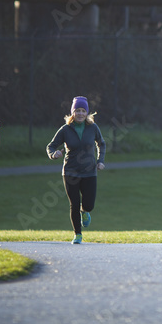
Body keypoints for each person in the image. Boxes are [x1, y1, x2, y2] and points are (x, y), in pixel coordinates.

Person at [46, 96, 105, 244]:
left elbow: (101, 144)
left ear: (87, 113)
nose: (80, 113)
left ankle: (84, 211)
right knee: (74, 203)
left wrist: (100, 161)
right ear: (73, 113)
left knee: (89, 204)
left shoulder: (93, 128)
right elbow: (51, 146)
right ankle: (77, 234)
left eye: (83, 111)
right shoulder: (65, 129)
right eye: (77, 110)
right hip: (70, 172)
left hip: (89, 172)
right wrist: (54, 154)